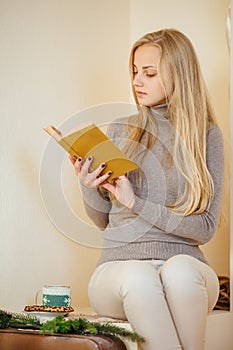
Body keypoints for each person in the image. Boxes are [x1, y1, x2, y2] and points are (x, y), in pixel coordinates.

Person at [70, 29, 224, 350]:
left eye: (150, 73)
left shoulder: (207, 137)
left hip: (186, 267)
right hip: (119, 270)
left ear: (179, 75)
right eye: (135, 72)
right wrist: (88, 187)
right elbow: (104, 221)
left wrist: (135, 202)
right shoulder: (121, 130)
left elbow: (205, 228)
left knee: (179, 271)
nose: (138, 81)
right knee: (141, 277)